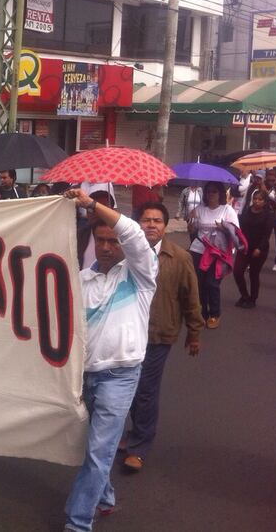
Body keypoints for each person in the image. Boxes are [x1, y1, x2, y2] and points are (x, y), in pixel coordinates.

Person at [62, 188, 158, 532]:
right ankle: (105, 499)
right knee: (93, 449)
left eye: (113, 241)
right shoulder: (82, 281)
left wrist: (92, 205)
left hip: (121, 377)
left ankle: (77, 522)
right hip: (84, 378)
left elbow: (133, 232)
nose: (106, 247)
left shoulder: (141, 276)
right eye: (100, 240)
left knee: (98, 452)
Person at [121, 202, 202, 473]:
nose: (151, 225)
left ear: (165, 226)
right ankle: (135, 433)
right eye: (146, 220)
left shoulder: (179, 257)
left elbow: (190, 297)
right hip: (128, 330)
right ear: (138, 223)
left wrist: (194, 332)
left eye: (157, 221)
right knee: (127, 387)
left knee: (146, 389)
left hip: (159, 333)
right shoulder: (126, 252)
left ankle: (139, 446)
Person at [188, 181, 240, 329]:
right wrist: (191, 225)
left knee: (212, 283)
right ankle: (203, 313)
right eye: (208, 191)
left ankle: (215, 314)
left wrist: (223, 227)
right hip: (198, 250)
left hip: (217, 252)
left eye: (214, 191)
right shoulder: (200, 209)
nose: (210, 194)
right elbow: (193, 230)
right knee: (199, 283)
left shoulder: (227, 210)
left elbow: (235, 232)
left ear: (221, 194)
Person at [233, 188, 274, 308]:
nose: (257, 201)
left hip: (259, 250)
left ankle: (253, 299)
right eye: (255, 199)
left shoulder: (268, 215)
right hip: (245, 247)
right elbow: (240, 228)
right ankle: (244, 295)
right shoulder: (247, 211)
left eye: (260, 199)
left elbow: (266, 235)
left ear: (265, 202)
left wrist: (259, 249)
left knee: (253, 274)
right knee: (237, 272)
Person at [76, 191, 116, 270]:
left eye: (101, 209)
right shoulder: (79, 235)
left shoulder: (123, 237)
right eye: (91, 209)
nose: (96, 213)